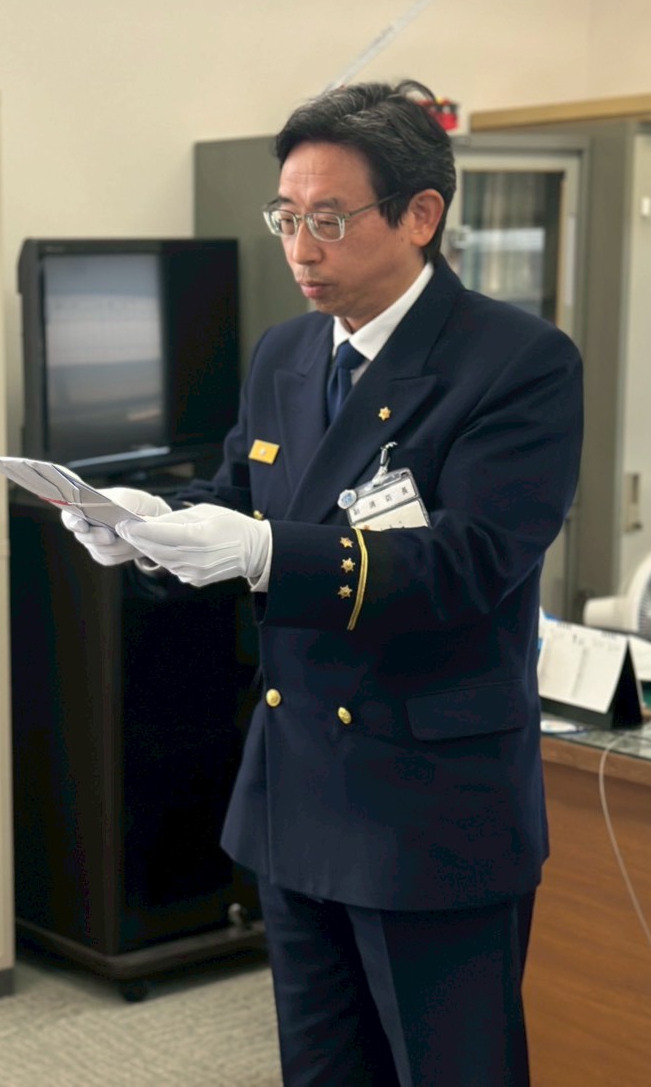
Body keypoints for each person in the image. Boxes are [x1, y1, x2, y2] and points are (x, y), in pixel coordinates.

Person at [63, 80, 582, 1085]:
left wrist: (263, 551)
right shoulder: (287, 351)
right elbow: (236, 495)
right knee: (322, 1070)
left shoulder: (515, 362)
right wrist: (141, 528)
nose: (300, 248)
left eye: (329, 220)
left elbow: (468, 564)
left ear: (420, 216)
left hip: (428, 811)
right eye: (287, 217)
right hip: (297, 793)